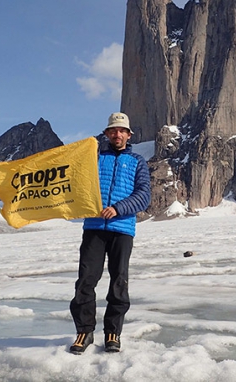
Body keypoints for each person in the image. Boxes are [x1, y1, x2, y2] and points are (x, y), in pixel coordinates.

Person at [69, 112, 151, 354]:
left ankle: (113, 332)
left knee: (119, 281)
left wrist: (118, 208)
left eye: (122, 130)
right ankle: (84, 332)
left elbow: (143, 196)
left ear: (128, 135)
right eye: (113, 130)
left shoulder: (138, 162)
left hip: (122, 229)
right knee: (85, 281)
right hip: (94, 228)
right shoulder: (93, 160)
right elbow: (76, 184)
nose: (117, 134)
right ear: (106, 134)